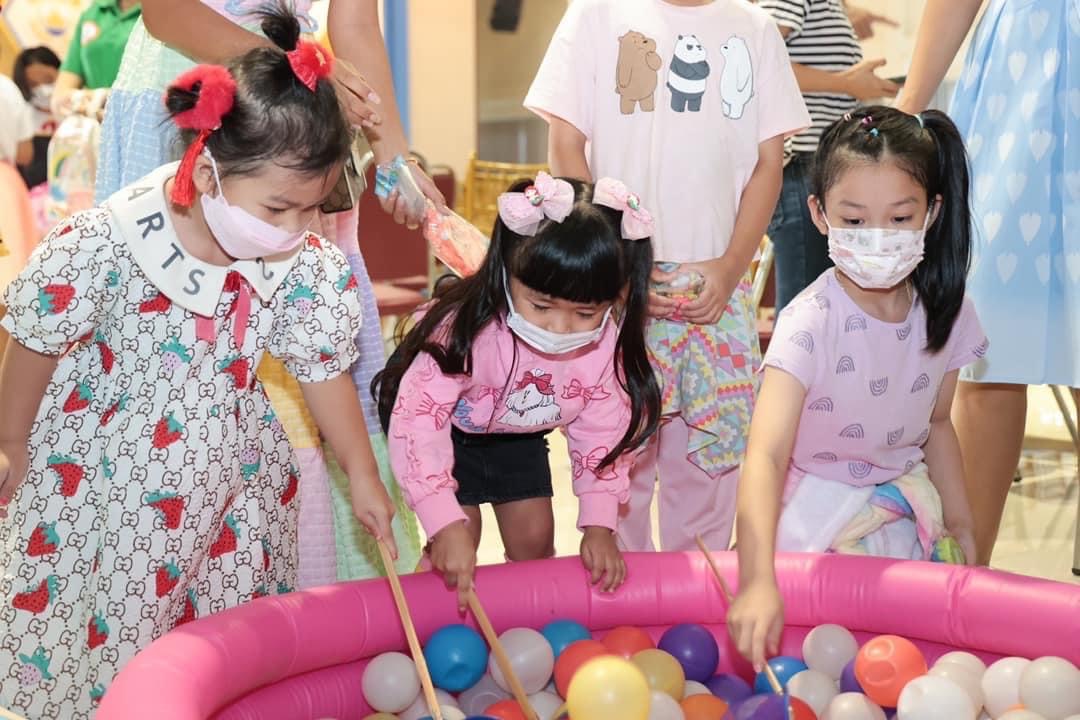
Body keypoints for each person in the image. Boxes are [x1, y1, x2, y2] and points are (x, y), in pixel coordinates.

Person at [0, 13, 396, 715]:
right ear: (208, 173)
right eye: (279, 207)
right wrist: (10, 438)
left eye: (310, 210)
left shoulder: (298, 262)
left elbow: (321, 372)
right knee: (117, 638)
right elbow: (35, 337)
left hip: (233, 488)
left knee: (226, 642)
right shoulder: (109, 240)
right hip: (110, 483)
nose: (294, 229)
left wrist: (363, 475)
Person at [94, 0, 450, 582]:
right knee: (176, 342)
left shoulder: (300, 228)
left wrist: (393, 158)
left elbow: (356, 22)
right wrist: (297, 69)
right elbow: (166, 12)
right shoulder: (92, 244)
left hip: (298, 112)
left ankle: (311, 578)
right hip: (203, 94)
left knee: (303, 326)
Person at [526, 0, 809, 552]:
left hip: (715, 290)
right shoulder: (595, 14)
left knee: (708, 470)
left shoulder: (754, 27)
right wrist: (614, 268)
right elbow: (565, 144)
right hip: (617, 292)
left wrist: (731, 266)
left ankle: (700, 598)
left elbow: (768, 164)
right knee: (616, 465)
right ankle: (625, 601)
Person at [727, 107, 986, 669]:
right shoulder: (809, 322)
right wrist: (756, 578)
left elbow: (938, 423)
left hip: (900, 509)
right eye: (854, 219)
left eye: (900, 218)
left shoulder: (947, 313)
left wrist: (963, 525)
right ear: (819, 214)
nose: (878, 238)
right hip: (812, 513)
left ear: (932, 212)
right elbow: (766, 454)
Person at [374, 173, 662, 608]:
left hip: (519, 436)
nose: (560, 327)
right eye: (541, 306)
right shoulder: (465, 330)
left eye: (585, 313)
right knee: (457, 541)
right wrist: (441, 520)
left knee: (534, 539)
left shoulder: (605, 349)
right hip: (448, 434)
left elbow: (602, 434)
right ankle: (432, 623)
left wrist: (600, 525)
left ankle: (529, 620)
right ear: (507, 272)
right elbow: (419, 421)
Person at [895, 0, 1080, 566]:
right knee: (987, 347)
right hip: (1017, 86)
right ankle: (962, 586)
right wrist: (907, 108)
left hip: (1022, 69)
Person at [760, 0, 900, 310]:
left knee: (824, 307)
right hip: (802, 167)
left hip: (819, 168)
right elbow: (758, 60)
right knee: (807, 309)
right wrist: (847, 83)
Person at [51, 0, 142, 116]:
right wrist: (93, 100)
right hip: (93, 121)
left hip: (139, 119)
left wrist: (97, 99)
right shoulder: (94, 11)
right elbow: (60, 96)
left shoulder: (159, 11)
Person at [11, 46, 61, 188]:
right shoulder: (22, 119)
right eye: (34, 85)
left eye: (48, 80)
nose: (44, 90)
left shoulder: (81, 108)